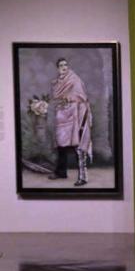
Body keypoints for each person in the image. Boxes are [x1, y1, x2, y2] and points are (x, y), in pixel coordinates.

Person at [48, 57, 92, 186]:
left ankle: (83, 177)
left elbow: (82, 96)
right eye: (61, 65)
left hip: (75, 113)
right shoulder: (57, 82)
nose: (64, 67)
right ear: (58, 68)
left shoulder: (74, 79)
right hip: (62, 114)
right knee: (61, 144)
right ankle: (61, 172)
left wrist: (69, 99)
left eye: (65, 65)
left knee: (78, 144)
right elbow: (55, 97)